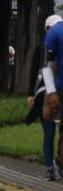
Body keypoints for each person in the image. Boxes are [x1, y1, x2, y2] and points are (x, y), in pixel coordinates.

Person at [27, 15, 63, 180]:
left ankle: (53, 166)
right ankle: (53, 165)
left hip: (47, 92)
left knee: (49, 132)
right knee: (50, 132)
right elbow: (39, 70)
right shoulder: (44, 48)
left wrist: (31, 93)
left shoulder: (46, 44)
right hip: (47, 92)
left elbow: (38, 71)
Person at [41, 15, 63, 180]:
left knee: (50, 129)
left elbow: (46, 65)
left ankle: (53, 165)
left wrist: (51, 92)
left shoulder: (53, 33)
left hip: (58, 88)